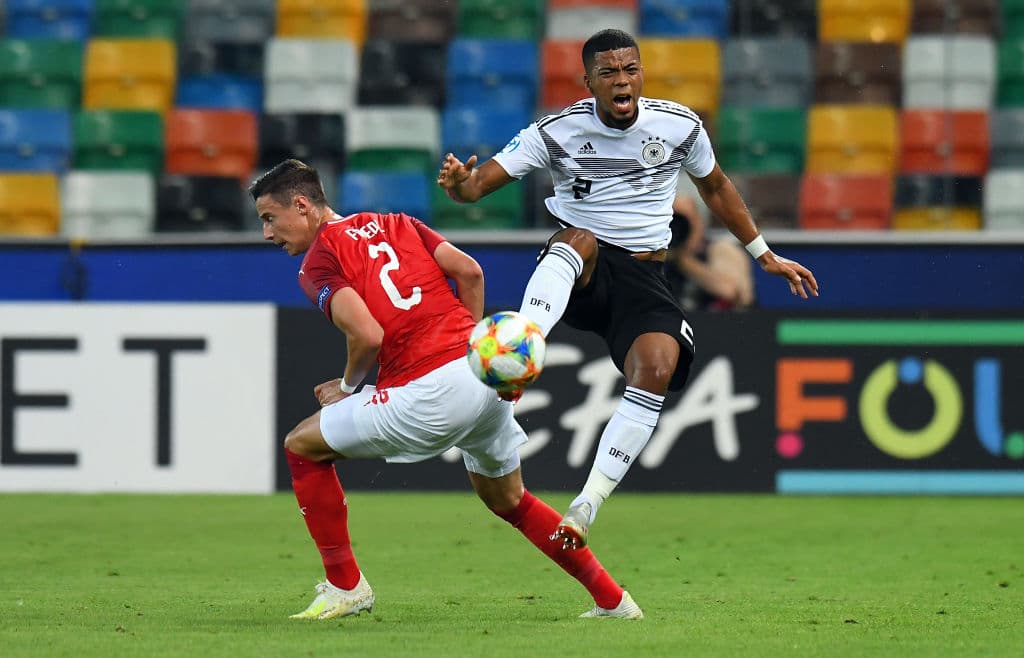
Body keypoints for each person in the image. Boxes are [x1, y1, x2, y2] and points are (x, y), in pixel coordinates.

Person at [437, 29, 819, 551]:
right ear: (588, 80)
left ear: (641, 73)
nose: (623, 80)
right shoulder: (556, 131)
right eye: (610, 72)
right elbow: (479, 186)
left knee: (657, 367)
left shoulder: (680, 126)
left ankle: (585, 505)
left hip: (644, 278)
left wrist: (764, 254)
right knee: (580, 236)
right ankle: (522, 344)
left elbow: (715, 188)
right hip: (580, 271)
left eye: (630, 69)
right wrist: (462, 183)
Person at [251, 158, 643, 621]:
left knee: (301, 446)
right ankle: (614, 601)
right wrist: (473, 351)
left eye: (270, 218)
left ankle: (345, 586)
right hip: (483, 376)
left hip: (428, 392)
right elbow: (471, 272)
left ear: (302, 205)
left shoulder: (320, 260)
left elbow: (367, 335)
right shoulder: (397, 222)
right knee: (509, 499)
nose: (268, 234)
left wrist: (346, 386)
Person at [665, 195, 755, 311]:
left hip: (716, 324)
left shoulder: (720, 249)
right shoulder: (653, 255)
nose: (675, 226)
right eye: (669, 220)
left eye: (681, 220)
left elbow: (731, 292)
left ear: (699, 222)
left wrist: (683, 261)